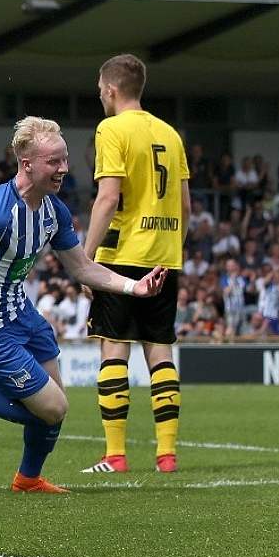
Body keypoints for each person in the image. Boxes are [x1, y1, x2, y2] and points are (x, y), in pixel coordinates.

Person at [0, 116, 167, 493]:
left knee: (54, 408)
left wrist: (134, 287)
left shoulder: (54, 211)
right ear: (26, 163)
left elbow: (81, 267)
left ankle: (27, 479)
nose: (64, 169)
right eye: (54, 161)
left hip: (21, 314)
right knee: (52, 408)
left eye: (64, 160)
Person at [80, 54, 189, 475]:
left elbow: (108, 196)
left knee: (114, 348)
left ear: (109, 89)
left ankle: (115, 455)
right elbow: (185, 206)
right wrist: (170, 250)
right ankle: (166, 456)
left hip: (121, 254)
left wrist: (84, 259)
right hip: (165, 254)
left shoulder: (111, 128)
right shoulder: (170, 133)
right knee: (160, 352)